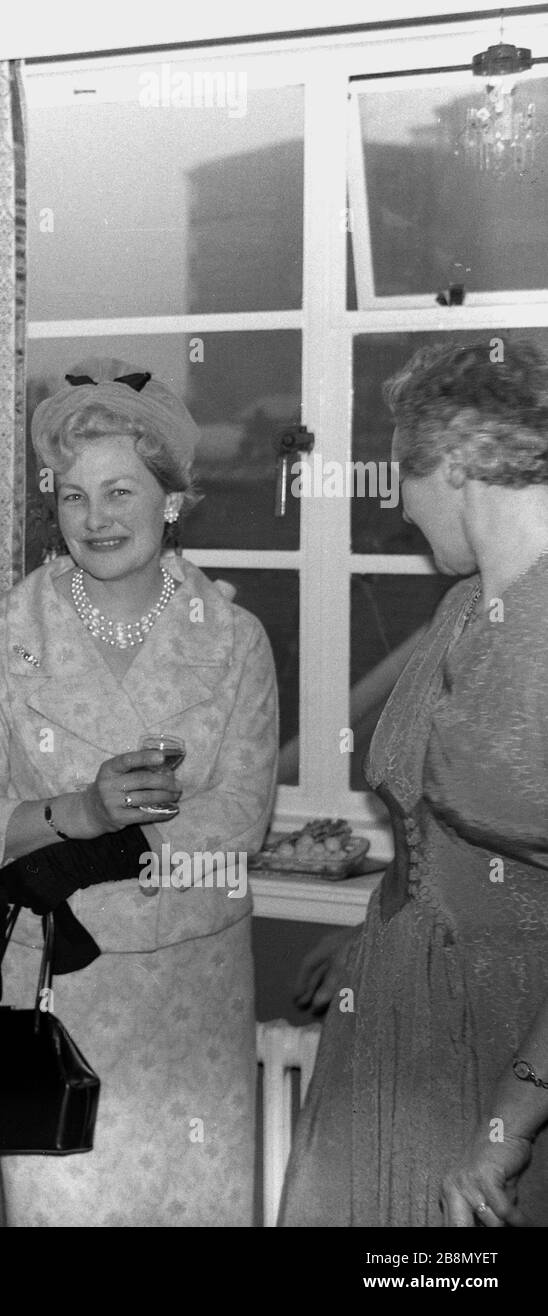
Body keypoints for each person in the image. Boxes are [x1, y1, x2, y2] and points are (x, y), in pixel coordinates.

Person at [0, 365, 278, 1226]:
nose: (97, 519)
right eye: (76, 496)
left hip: (190, 985)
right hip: (56, 984)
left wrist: (95, 858)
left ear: (172, 502)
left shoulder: (235, 640)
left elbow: (240, 814)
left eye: (121, 491)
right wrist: (80, 814)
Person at [281, 340, 548, 1227]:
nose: (394, 499)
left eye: (403, 469)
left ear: (462, 461)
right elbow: (439, 827)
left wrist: (510, 1127)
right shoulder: (461, 608)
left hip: (515, 1036)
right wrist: (382, 926)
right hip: (400, 1010)